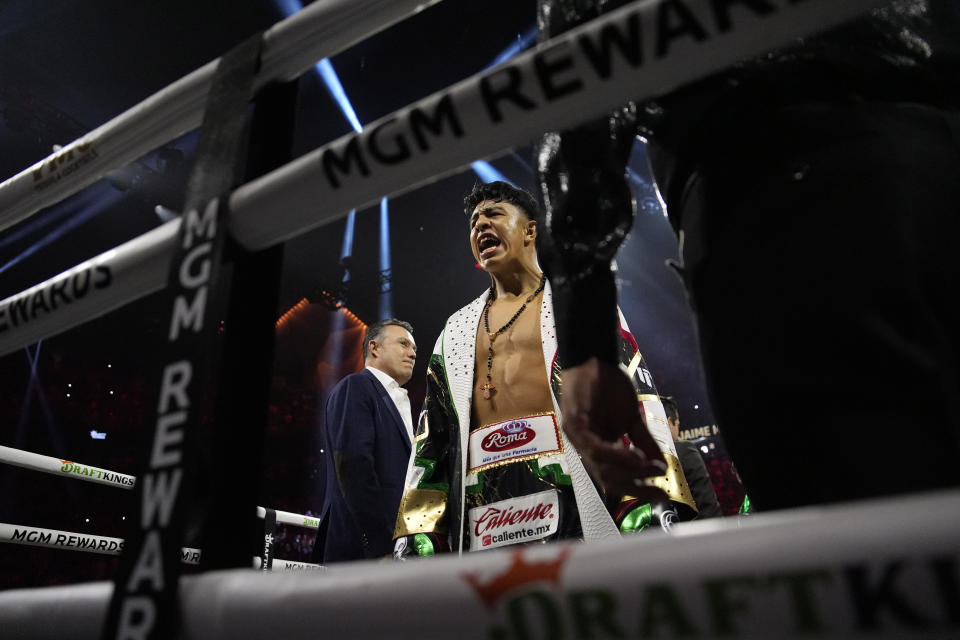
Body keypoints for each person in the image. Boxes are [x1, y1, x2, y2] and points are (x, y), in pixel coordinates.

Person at [536, 0, 960, 512]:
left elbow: (580, 81)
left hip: (773, 173)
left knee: (854, 524)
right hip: (933, 126)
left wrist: (585, 343)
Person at [392, 182, 695, 559]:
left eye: (494, 215)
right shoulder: (453, 331)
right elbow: (431, 443)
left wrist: (651, 495)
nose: (480, 226)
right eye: (474, 222)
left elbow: (634, 401)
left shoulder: (580, 306)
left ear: (530, 230)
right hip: (481, 509)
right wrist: (419, 529)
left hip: (574, 494)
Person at [313, 319, 417, 563]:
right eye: (403, 344)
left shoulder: (399, 401)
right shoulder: (356, 386)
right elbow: (353, 464)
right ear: (375, 348)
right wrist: (380, 546)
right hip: (365, 550)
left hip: (395, 547)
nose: (412, 354)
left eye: (414, 349)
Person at [660, 396, 722, 519]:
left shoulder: (633, 458)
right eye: (677, 424)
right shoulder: (683, 450)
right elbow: (709, 508)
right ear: (668, 422)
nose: (678, 430)